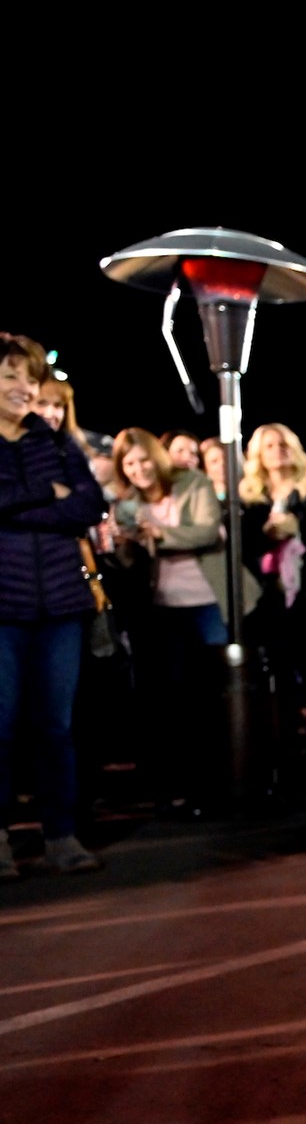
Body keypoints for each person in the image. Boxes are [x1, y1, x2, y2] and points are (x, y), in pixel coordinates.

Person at [0, 333, 107, 876]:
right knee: (1, 726)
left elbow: (91, 503)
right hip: (4, 609)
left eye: (30, 378)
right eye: (12, 377)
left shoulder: (56, 440)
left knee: (55, 726)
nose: (26, 389)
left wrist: (37, 503)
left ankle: (61, 834)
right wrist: (51, 496)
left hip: (61, 604)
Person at [113, 426, 256, 814]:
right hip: (162, 607)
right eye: (129, 464)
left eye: (144, 460)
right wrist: (124, 543)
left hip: (208, 600)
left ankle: (229, 777)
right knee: (174, 696)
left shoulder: (191, 482)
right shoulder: (125, 504)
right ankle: (181, 783)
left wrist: (156, 534)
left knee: (215, 690)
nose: (139, 469)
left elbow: (206, 532)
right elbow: (130, 562)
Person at [238, 423, 306, 793]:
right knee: (280, 686)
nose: (277, 450)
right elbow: (243, 551)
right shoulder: (249, 501)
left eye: (283, 443)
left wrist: (300, 529)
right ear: (257, 455)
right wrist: (267, 536)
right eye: (269, 445)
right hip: (271, 608)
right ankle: (283, 759)